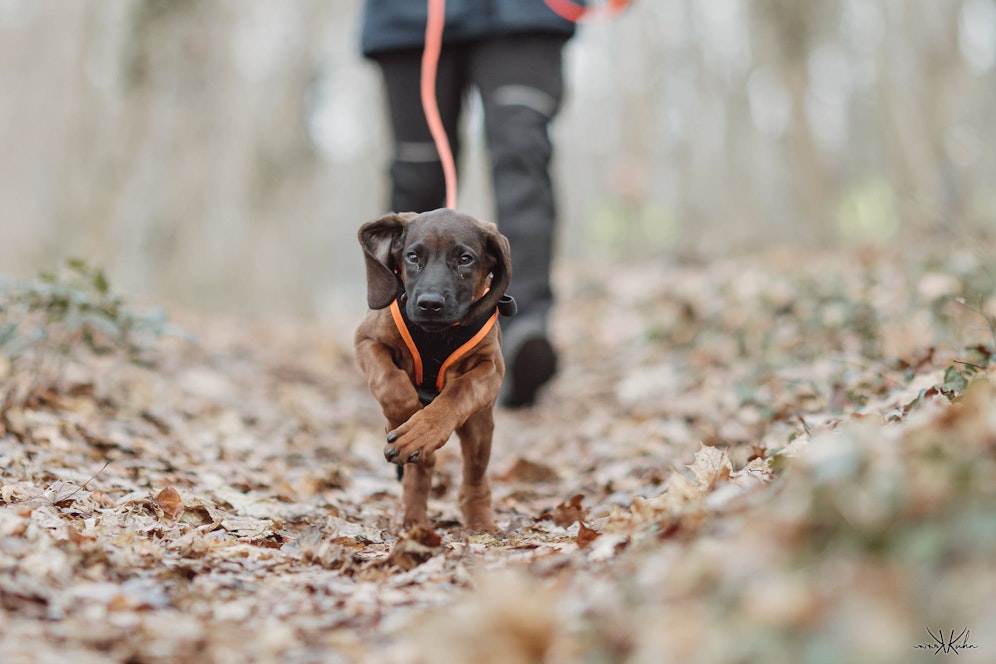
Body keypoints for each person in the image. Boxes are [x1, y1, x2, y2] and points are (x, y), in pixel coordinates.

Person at [359, 0, 580, 408]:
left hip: (526, 14)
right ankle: (406, 346)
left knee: (521, 158)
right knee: (417, 173)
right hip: (409, 18)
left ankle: (519, 333)